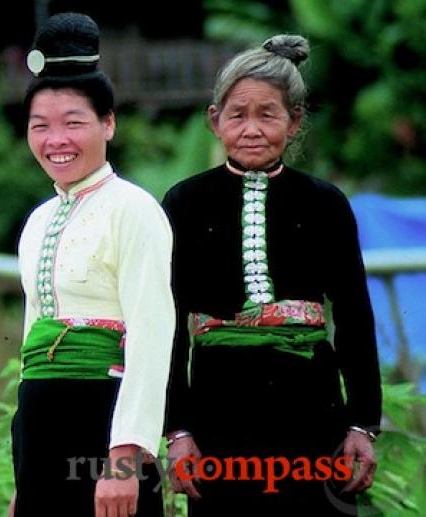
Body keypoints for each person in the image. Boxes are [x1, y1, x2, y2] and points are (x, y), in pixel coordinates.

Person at [163, 34, 382, 516]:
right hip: (218, 409)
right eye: (238, 114)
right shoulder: (183, 203)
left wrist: (362, 424)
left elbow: (354, 317)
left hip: (311, 406)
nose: (252, 129)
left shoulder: (325, 204)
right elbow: (168, 325)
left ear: (295, 120)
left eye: (269, 114)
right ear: (214, 119)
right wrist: (177, 431)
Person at [10, 12, 175, 517]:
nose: (55, 140)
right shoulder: (37, 221)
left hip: (103, 424)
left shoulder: (135, 209)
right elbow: (31, 342)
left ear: (108, 123)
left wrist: (124, 460)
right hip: (40, 421)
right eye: (41, 127)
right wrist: (24, 476)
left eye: (73, 123)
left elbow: (152, 335)